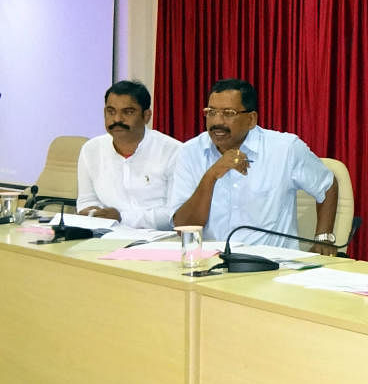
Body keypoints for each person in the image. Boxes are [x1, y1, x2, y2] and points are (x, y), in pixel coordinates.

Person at [169, 78, 338, 255]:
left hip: (272, 268)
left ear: (251, 119)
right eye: (211, 112)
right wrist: (211, 175)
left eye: (228, 113)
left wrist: (324, 237)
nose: (217, 121)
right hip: (211, 266)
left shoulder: (285, 149)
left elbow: (327, 186)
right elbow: (183, 227)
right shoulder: (189, 151)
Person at [76, 80, 181, 230]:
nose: (117, 119)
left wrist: (122, 218)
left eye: (128, 112)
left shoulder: (173, 151)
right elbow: (86, 200)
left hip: (158, 241)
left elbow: (174, 214)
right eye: (111, 111)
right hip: (104, 236)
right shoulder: (91, 150)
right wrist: (92, 213)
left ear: (146, 116)